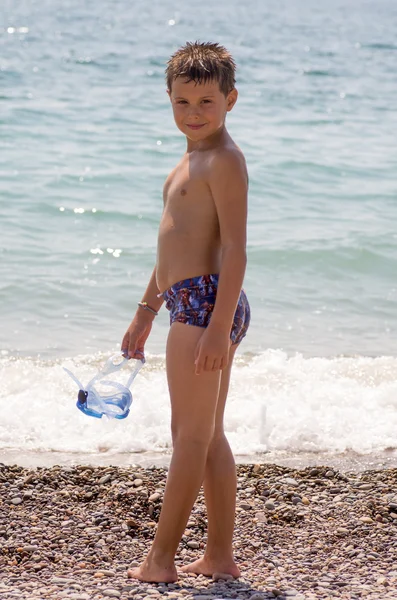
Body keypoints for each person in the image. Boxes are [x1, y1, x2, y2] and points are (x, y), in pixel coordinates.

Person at [121, 41, 250, 583]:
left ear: (230, 100)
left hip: (207, 306)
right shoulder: (188, 159)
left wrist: (218, 327)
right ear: (168, 100)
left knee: (189, 437)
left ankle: (160, 559)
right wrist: (146, 310)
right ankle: (219, 556)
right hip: (188, 302)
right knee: (209, 433)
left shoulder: (223, 161)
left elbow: (235, 248)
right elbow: (170, 247)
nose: (193, 114)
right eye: (182, 102)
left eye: (205, 102)